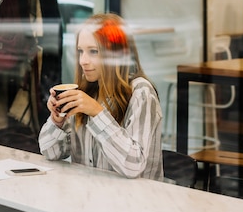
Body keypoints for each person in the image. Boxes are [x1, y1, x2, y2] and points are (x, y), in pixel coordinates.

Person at [38, 13, 163, 180]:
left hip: (134, 202)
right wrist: (57, 120)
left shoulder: (141, 93)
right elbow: (50, 152)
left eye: (93, 51)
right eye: (81, 51)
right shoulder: (86, 91)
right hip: (90, 197)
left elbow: (133, 165)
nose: (83, 60)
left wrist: (97, 113)